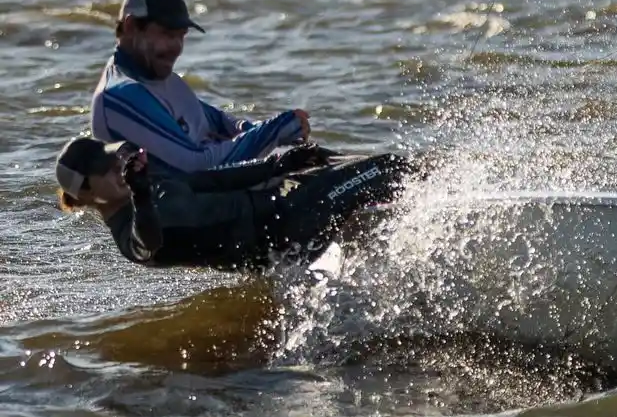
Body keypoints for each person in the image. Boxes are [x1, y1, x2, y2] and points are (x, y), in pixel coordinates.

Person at [53, 135, 417, 272]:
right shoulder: (127, 237)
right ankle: (456, 199)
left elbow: (212, 179)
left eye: (115, 157)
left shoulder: (148, 182)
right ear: (84, 194)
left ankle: (422, 240)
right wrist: (141, 193)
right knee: (390, 169)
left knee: (366, 173)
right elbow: (148, 242)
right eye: (105, 167)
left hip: (280, 205)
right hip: (281, 233)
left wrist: (280, 164)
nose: (118, 165)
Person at [89, 0, 315, 177]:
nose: (177, 48)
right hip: (176, 219)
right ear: (131, 27)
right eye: (167, 35)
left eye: (182, 36)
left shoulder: (165, 82)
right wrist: (272, 132)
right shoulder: (120, 95)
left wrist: (275, 132)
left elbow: (222, 125)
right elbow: (196, 165)